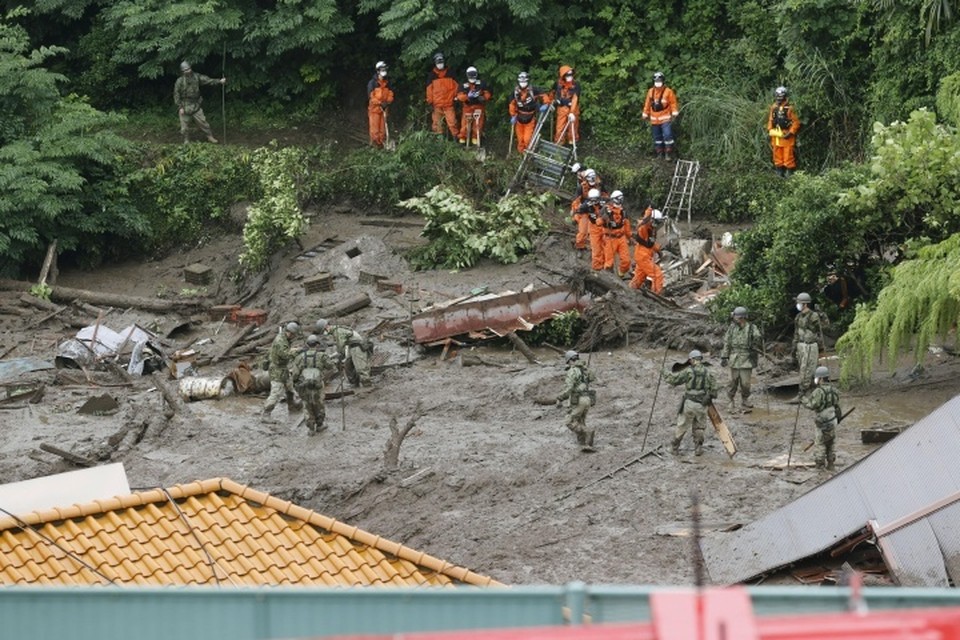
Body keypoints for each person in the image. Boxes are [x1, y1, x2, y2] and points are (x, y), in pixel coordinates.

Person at [664, 349, 718, 456]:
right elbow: (715, 391)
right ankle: (698, 448)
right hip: (702, 404)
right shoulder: (709, 371)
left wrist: (664, 372)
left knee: (682, 425)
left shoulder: (688, 371)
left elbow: (674, 380)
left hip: (689, 403)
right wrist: (709, 396)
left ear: (692, 360)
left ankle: (674, 448)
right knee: (699, 426)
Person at [290, 334, 336, 435]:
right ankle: (320, 425)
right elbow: (331, 367)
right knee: (319, 404)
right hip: (318, 384)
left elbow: (295, 374)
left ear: (307, 344)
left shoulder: (299, 357)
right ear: (317, 345)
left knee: (307, 406)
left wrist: (296, 383)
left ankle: (311, 428)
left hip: (304, 385)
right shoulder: (322, 356)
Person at [720, 306, 763, 413]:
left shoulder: (752, 328)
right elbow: (727, 343)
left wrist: (759, 336)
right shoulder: (731, 328)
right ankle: (730, 400)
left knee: (745, 383)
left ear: (741, 318)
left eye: (736, 317)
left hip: (746, 358)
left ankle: (745, 399)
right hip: (734, 358)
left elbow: (758, 339)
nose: (734, 318)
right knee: (732, 382)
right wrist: (724, 356)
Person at [174, 60, 225, 144]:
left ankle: (209, 136)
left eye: (189, 69)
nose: (188, 71)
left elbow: (208, 80)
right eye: (185, 70)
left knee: (203, 123)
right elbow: (176, 95)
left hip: (195, 104)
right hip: (184, 105)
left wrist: (219, 81)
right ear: (182, 71)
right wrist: (180, 107)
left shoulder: (196, 77)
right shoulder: (179, 81)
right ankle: (186, 139)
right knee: (184, 126)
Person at [555, 351, 597, 452]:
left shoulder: (572, 371)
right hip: (588, 399)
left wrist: (560, 398)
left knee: (569, 421)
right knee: (581, 420)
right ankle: (585, 443)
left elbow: (569, 388)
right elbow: (592, 378)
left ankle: (588, 432)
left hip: (579, 400)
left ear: (569, 360)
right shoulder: (584, 369)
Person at [801, 366, 842, 470]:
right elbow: (837, 404)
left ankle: (819, 465)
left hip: (822, 422)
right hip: (833, 420)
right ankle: (831, 463)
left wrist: (803, 399)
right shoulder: (834, 390)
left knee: (820, 443)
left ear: (821, 379)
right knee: (831, 442)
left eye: (818, 378)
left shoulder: (818, 392)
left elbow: (812, 405)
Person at [261, 322, 302, 421]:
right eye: (294, 335)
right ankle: (266, 414)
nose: (294, 337)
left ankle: (291, 406)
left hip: (283, 368)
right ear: (290, 333)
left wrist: (294, 349)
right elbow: (285, 355)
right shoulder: (280, 341)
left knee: (289, 387)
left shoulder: (285, 338)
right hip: (277, 370)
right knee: (276, 393)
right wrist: (297, 351)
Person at [316, 318, 373, 387]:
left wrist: (338, 357)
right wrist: (332, 356)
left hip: (357, 346)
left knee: (360, 368)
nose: (324, 333)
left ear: (326, 327)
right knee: (348, 365)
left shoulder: (337, 331)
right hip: (350, 346)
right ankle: (355, 384)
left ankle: (367, 384)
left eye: (323, 331)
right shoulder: (335, 331)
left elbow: (341, 346)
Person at [508, 71, 550, 154]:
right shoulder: (515, 92)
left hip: (530, 117)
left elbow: (544, 95)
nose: (522, 83)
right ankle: (521, 153)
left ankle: (528, 153)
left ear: (527, 81)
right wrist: (513, 115)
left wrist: (546, 103)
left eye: (524, 81)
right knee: (520, 139)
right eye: (521, 81)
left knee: (527, 139)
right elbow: (511, 104)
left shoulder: (533, 90)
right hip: (519, 117)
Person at [792, 292, 824, 399]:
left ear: (805, 304)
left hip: (810, 346)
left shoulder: (813, 316)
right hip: (801, 346)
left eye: (799, 303)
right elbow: (796, 333)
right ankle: (808, 391)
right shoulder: (798, 317)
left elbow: (823, 328)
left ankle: (803, 393)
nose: (797, 305)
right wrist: (794, 349)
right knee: (803, 369)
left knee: (808, 369)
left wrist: (822, 315)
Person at [642, 72, 680, 160]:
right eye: (656, 81)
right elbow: (647, 103)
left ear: (663, 81)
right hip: (654, 119)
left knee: (667, 135)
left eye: (659, 81)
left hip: (665, 118)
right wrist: (645, 113)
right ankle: (659, 153)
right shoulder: (651, 91)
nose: (658, 82)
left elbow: (673, 103)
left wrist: (674, 112)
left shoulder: (668, 91)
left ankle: (669, 153)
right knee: (657, 137)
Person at [629, 206, 665, 294]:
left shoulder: (652, 230)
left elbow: (651, 244)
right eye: (656, 222)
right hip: (642, 256)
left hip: (645, 255)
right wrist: (649, 210)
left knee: (639, 277)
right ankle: (656, 295)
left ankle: (629, 292)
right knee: (657, 275)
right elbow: (644, 221)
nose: (657, 224)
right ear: (651, 219)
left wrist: (658, 251)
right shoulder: (644, 227)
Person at [767, 86, 801, 177]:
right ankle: (779, 172)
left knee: (788, 154)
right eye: (777, 96)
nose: (779, 98)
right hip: (776, 135)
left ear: (785, 96)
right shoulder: (773, 107)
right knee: (776, 153)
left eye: (781, 96)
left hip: (787, 135)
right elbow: (770, 120)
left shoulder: (790, 108)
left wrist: (790, 133)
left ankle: (789, 173)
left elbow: (796, 122)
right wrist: (770, 130)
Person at [426, 52, 459, 140]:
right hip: (437, 105)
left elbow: (456, 87)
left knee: (452, 123)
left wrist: (456, 98)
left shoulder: (451, 73)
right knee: (437, 124)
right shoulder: (431, 75)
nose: (440, 64)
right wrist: (430, 102)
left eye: (441, 62)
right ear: (435, 63)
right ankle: (439, 142)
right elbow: (429, 90)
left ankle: (456, 141)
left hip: (449, 104)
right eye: (438, 62)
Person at [569, 167, 603, 252]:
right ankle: (580, 247)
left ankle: (597, 247)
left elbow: (605, 196)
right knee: (583, 231)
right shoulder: (581, 187)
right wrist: (575, 211)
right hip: (584, 210)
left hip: (596, 209)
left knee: (598, 229)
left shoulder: (599, 185)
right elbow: (576, 201)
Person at [456, 66, 491, 146]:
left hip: (479, 106)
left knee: (478, 124)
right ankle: (463, 139)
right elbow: (459, 96)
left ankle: (475, 138)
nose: (472, 78)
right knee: (465, 124)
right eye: (470, 76)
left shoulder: (482, 83)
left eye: (473, 76)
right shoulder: (463, 85)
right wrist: (467, 97)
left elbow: (487, 93)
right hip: (467, 107)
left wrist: (483, 97)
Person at [574, 188, 607, 271]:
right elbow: (578, 211)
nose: (594, 202)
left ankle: (605, 263)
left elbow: (614, 204)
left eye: (595, 200)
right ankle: (597, 267)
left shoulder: (605, 201)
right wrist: (576, 219)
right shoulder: (586, 205)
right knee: (596, 248)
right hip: (594, 227)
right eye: (592, 200)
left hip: (605, 227)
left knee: (606, 246)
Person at [601, 190, 632, 279]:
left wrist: (629, 237)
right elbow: (598, 221)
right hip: (610, 238)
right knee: (609, 263)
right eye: (620, 199)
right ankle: (607, 280)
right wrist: (604, 219)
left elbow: (626, 224)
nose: (621, 200)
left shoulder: (623, 211)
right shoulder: (606, 209)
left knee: (626, 261)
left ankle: (620, 275)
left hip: (621, 237)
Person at [367, 61, 395, 149]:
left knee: (383, 130)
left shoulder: (388, 83)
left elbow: (391, 94)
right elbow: (371, 98)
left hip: (384, 109)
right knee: (375, 130)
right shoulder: (372, 83)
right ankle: (375, 145)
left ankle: (383, 145)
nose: (384, 71)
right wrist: (380, 103)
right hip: (375, 110)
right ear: (378, 71)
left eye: (385, 69)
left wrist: (387, 102)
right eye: (382, 69)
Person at [551, 65, 581, 145]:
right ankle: (559, 142)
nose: (570, 77)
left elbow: (575, 99)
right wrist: (552, 103)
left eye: (571, 74)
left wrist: (572, 112)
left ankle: (572, 142)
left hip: (573, 108)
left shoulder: (576, 85)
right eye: (567, 75)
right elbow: (552, 94)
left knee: (573, 127)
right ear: (563, 76)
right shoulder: (558, 84)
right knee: (559, 127)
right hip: (562, 108)